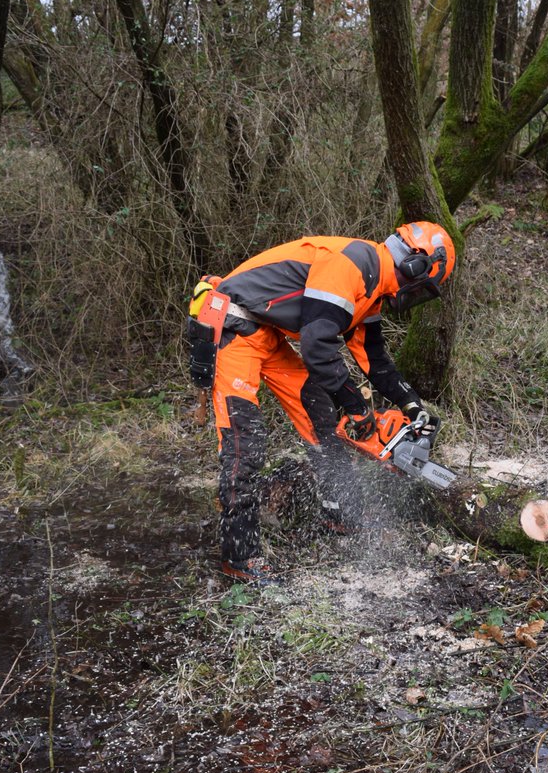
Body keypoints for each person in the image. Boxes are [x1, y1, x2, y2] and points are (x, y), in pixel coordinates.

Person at [187, 221, 456, 583]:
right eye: (424, 287)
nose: (418, 294)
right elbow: (316, 347)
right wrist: (356, 405)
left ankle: (340, 512)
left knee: (321, 415)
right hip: (235, 326)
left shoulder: (372, 291)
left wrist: (410, 403)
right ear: (415, 266)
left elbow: (375, 361)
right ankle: (239, 556)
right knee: (243, 442)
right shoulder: (354, 263)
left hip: (266, 334)